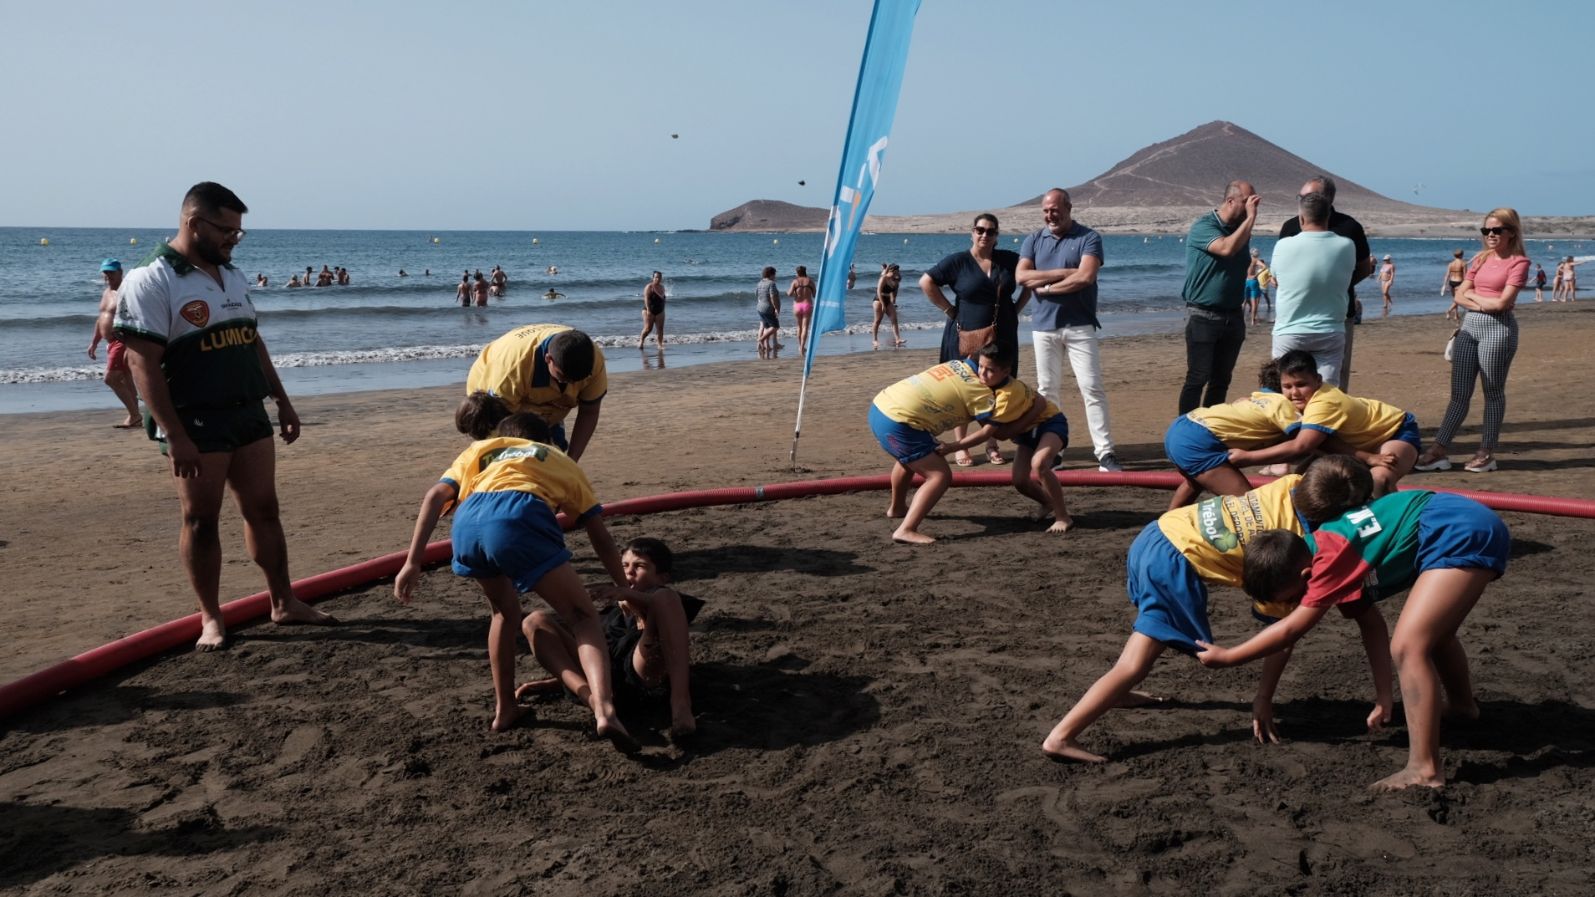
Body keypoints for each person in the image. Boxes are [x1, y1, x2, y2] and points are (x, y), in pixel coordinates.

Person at [113, 181, 333, 651]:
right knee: (200, 519)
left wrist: (283, 400)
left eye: (239, 232)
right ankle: (211, 618)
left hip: (247, 412)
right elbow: (141, 363)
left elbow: (252, 341)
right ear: (194, 222)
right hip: (195, 419)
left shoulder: (230, 275)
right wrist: (173, 434)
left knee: (264, 510)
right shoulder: (151, 278)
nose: (234, 238)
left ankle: (283, 601)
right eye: (227, 230)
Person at [1040, 456, 1378, 762]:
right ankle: (1061, 736)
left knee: (1142, 643)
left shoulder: (1290, 485)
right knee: (1137, 661)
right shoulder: (1293, 548)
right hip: (1174, 561)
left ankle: (1116, 693)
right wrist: (1264, 697)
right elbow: (1282, 633)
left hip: (1156, 534)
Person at [1197, 489, 1510, 791]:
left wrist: (1229, 657)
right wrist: (1384, 696)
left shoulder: (1328, 560)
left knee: (1409, 646)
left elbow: (1292, 629)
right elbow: (1371, 626)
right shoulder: (1332, 558)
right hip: (1457, 521)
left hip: (1453, 528)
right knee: (1435, 637)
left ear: (1307, 577)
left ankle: (1424, 768)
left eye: (1294, 598)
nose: (1296, 605)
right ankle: (1462, 706)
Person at [394, 412, 636, 747]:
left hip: (466, 524)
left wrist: (413, 561)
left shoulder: (482, 449)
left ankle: (505, 708)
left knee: (504, 613)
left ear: (504, 435)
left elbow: (435, 496)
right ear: (546, 440)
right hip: (516, 514)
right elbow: (600, 537)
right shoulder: (556, 457)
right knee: (582, 617)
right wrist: (623, 589)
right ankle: (605, 711)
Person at [519, 537, 703, 740]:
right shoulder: (614, 608)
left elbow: (659, 610)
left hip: (641, 675)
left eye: (639, 566)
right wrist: (556, 682)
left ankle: (681, 706)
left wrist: (627, 595)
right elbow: (592, 652)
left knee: (665, 598)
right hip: (604, 683)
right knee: (534, 620)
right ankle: (596, 704)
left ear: (663, 577)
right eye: (624, 565)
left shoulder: (668, 600)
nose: (629, 572)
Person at [868, 345, 1046, 544]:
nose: (983, 374)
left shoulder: (955, 364)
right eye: (982, 368)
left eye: (989, 371)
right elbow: (1000, 434)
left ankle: (897, 508)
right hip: (899, 423)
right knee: (939, 475)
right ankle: (906, 529)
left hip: (880, 406)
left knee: (911, 458)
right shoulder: (979, 392)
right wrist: (1036, 408)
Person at [1415, 209, 1530, 474]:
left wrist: (1475, 298)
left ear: (1511, 232)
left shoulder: (1519, 263)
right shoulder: (1480, 259)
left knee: (1492, 392)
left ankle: (1486, 453)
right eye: (1486, 230)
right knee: (1459, 394)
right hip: (1469, 328)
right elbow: (1459, 296)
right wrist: (1481, 301)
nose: (1490, 235)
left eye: (1497, 230)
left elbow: (1503, 304)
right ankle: (1439, 451)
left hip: (1498, 332)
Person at [1016, 188, 1122, 473]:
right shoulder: (1034, 240)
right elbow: (1021, 276)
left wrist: (1047, 288)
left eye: (1055, 209)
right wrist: (1064, 272)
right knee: (1047, 391)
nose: (1051, 215)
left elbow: (1086, 276)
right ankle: (1054, 450)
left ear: (1068, 208)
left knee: (1092, 388)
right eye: (1046, 211)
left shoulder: (1088, 237)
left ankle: (1105, 452)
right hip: (1043, 328)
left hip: (1080, 326)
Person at [1228, 349, 1419, 496]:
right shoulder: (1292, 398)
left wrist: (1248, 457)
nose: (1294, 392)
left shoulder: (1324, 402)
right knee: (1305, 483)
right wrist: (1247, 401)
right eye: (1287, 386)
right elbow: (1322, 441)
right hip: (1357, 444)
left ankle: (1394, 528)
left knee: (1379, 480)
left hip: (1393, 431)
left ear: (1318, 380)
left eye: (1301, 385)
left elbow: (1302, 445)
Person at [920, 213, 1028, 466]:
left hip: (1003, 332)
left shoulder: (1009, 260)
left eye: (991, 231)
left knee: (998, 387)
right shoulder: (958, 262)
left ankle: (991, 442)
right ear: (972, 232)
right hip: (965, 331)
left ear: (997, 235)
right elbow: (926, 282)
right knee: (964, 386)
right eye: (980, 230)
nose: (985, 235)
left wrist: (1017, 308)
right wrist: (949, 309)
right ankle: (961, 446)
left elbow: (1029, 280)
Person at [1163, 360, 1299, 510]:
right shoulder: (1282, 404)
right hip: (1198, 440)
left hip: (1183, 426)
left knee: (1195, 481)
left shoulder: (1255, 398)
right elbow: (1303, 441)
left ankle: (1164, 526)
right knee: (1251, 508)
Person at [1279, 176, 1373, 391]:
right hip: (1295, 317)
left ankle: (1331, 421)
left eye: (1308, 197)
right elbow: (1280, 273)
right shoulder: (1291, 227)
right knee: (1292, 377)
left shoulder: (1349, 227)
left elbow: (1364, 268)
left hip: (1338, 315)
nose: (1302, 201)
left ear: (1327, 199)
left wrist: (1336, 286)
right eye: (1300, 197)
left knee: (1333, 380)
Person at [463, 324, 607, 460]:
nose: (572, 385)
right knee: (514, 458)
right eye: (564, 378)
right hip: (494, 401)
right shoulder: (512, 372)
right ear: (548, 359)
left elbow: (589, 412)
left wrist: (571, 462)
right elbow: (500, 431)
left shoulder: (593, 360)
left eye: (579, 380)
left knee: (554, 457)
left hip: (546, 403)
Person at [1178, 181, 1259, 414]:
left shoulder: (1240, 230)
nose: (1251, 207)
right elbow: (1225, 249)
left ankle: (1211, 426)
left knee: (1221, 380)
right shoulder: (1204, 226)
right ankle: (1186, 429)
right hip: (1203, 314)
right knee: (1197, 378)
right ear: (1230, 201)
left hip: (1233, 315)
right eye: (1247, 201)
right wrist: (1250, 219)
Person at [1270, 191, 1355, 386]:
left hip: (1290, 329)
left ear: (1301, 218)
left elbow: (1276, 278)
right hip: (1330, 329)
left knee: (1286, 393)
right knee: (1326, 393)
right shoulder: (1346, 245)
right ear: (1328, 216)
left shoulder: (1284, 245)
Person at [87, 258, 142, 428]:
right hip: (110, 342)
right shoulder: (106, 292)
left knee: (110, 379)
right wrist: (94, 342)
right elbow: (101, 318)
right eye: (106, 272)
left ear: (120, 272)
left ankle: (134, 415)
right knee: (125, 379)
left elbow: (139, 316)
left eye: (111, 272)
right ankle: (135, 416)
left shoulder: (126, 292)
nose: (108, 275)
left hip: (122, 340)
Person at [871, 263, 905, 349]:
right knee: (878, 320)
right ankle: (875, 340)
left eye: (897, 272)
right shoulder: (884, 278)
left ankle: (898, 339)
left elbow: (895, 292)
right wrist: (883, 304)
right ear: (890, 271)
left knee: (894, 319)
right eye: (895, 272)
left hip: (888, 300)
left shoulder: (896, 280)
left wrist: (893, 302)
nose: (896, 273)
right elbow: (878, 291)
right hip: (879, 300)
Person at [788, 265, 816, 355]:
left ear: (797, 273)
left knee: (799, 327)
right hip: (807, 305)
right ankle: (802, 347)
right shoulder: (810, 281)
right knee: (805, 327)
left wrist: (791, 292)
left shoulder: (795, 282)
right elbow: (815, 294)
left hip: (797, 305)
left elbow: (789, 294)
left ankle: (800, 345)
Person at [755, 266, 781, 355]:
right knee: (775, 326)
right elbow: (773, 296)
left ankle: (767, 346)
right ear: (771, 274)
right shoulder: (771, 284)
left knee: (766, 327)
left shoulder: (759, 283)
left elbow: (757, 295)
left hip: (760, 307)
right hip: (768, 308)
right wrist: (777, 308)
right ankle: (761, 339)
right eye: (774, 274)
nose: (775, 276)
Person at [640, 270, 667, 349]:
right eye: (656, 277)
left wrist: (663, 308)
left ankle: (660, 344)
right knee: (648, 329)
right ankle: (641, 341)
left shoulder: (662, 287)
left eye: (659, 277)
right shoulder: (649, 287)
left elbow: (664, 298)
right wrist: (648, 310)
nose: (658, 279)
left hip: (660, 310)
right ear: (653, 278)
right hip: (649, 310)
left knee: (660, 329)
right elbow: (646, 299)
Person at [1245, 249, 1265, 324]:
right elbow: (1264, 267)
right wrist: (1256, 274)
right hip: (1253, 281)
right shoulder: (1256, 260)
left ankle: (1242, 319)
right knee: (1254, 302)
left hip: (1246, 280)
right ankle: (1252, 320)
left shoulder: (1246, 259)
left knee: (1244, 302)